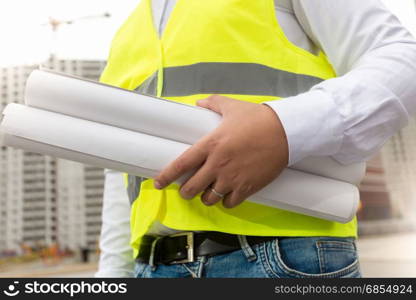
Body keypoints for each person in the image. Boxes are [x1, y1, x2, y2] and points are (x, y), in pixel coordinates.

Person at [95, 0, 416, 278]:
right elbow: (121, 168)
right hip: (152, 267)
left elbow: (402, 58)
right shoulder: (130, 31)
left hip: (283, 258)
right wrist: (113, 273)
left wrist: (283, 128)